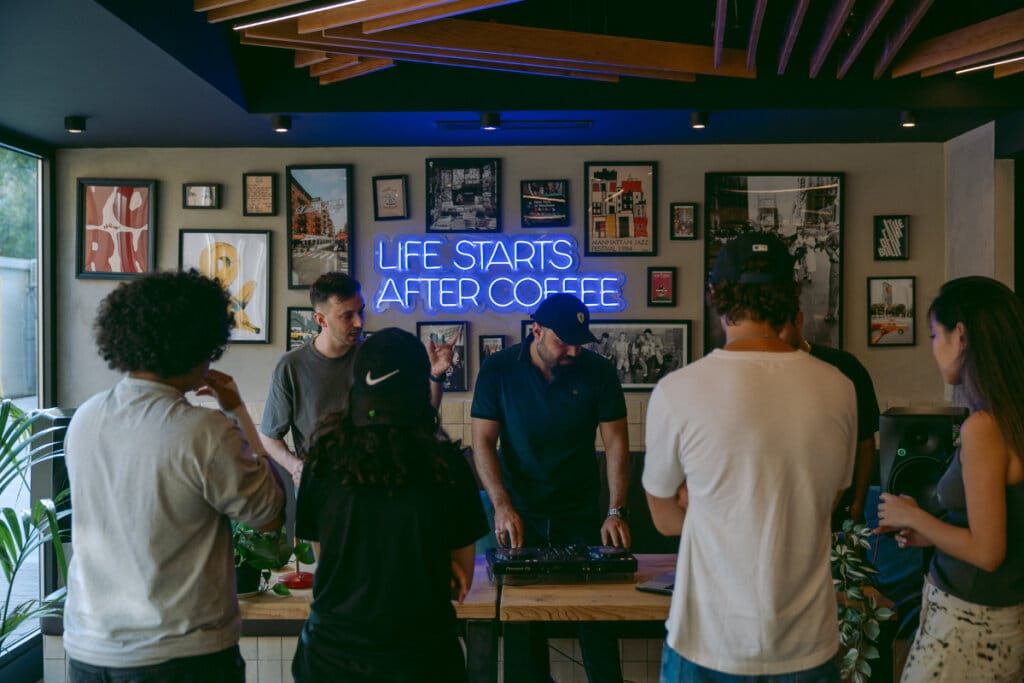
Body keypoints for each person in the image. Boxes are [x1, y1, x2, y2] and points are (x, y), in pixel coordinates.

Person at [643, 233, 857, 681]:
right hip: (807, 644)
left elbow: (664, 518)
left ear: (714, 295)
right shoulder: (839, 388)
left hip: (707, 643)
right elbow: (826, 500)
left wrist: (707, 503)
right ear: (791, 297)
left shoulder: (677, 391)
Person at [62, 270, 285, 682]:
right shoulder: (204, 430)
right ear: (198, 343)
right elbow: (268, 515)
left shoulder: (86, 417)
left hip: (88, 649)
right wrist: (236, 410)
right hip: (181, 655)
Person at [291, 328, 487, 682]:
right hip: (423, 660)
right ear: (419, 389)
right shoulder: (447, 465)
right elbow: (460, 582)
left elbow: (327, 557)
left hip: (329, 658)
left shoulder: (322, 460)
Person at [471, 292, 631, 683]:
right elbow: (483, 443)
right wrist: (501, 505)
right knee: (523, 629)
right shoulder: (498, 369)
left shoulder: (598, 371)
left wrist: (615, 510)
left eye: (579, 342)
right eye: (564, 341)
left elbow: (616, 444)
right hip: (518, 513)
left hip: (579, 510)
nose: (573, 351)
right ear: (537, 330)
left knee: (597, 619)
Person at [876, 276, 1024, 682]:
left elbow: (989, 552)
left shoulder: (984, 428)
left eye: (933, 334)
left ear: (960, 336)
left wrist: (912, 516)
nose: (932, 347)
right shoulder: (1010, 418)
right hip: (995, 619)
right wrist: (929, 533)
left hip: (970, 625)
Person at [259, 272, 453, 537]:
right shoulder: (290, 366)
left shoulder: (376, 357)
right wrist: (296, 467)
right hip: (322, 491)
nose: (359, 322)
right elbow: (269, 436)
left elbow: (422, 415)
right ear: (320, 320)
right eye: (347, 315)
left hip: (377, 488)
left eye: (360, 311)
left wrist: (436, 376)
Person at [780, 310, 880, 526]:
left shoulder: (844, 366)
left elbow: (865, 443)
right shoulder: (767, 373)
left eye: (779, 327)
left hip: (841, 508)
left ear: (798, 320)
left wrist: (857, 506)